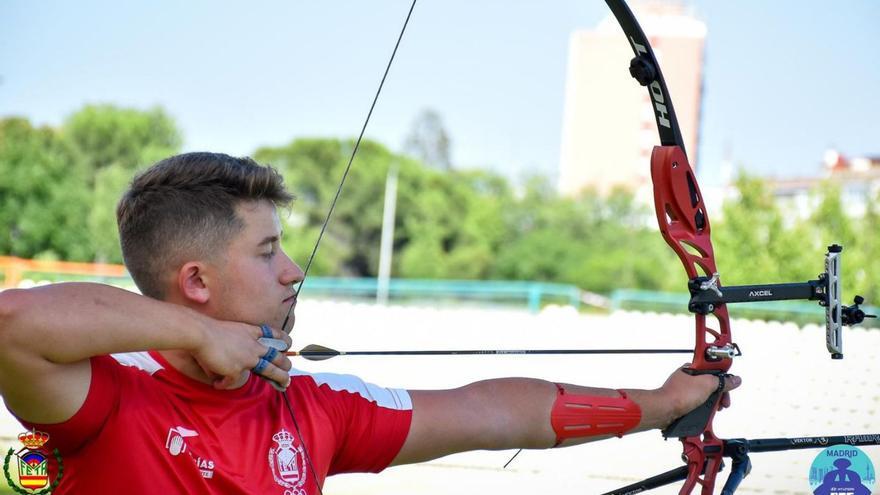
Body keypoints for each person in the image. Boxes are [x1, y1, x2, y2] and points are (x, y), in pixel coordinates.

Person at [0, 152, 740, 494]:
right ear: (194, 281)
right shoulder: (105, 396)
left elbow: (488, 411)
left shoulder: (311, 407)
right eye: (267, 251)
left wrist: (664, 404)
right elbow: (10, 321)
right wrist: (197, 337)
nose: (293, 270)